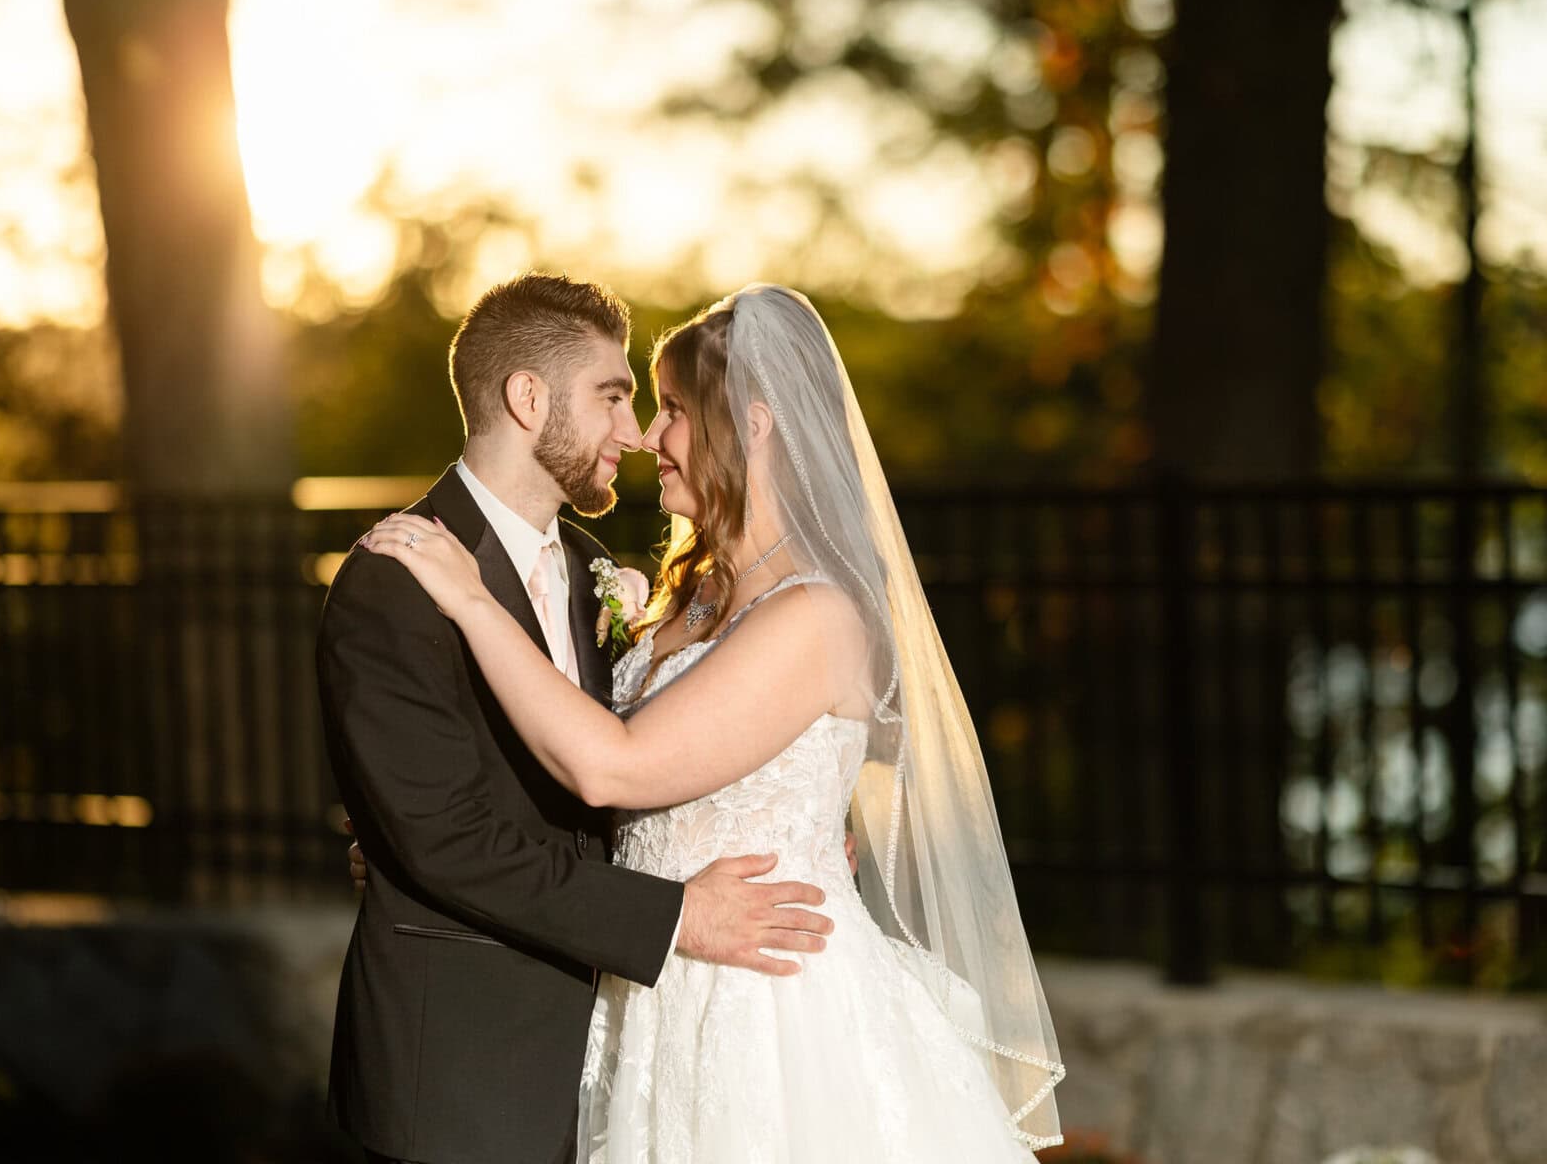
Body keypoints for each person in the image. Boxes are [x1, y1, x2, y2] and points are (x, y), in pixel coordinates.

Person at [360, 283, 1065, 1160]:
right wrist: (406, 826)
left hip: (765, 1008)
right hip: (642, 999)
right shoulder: (684, 595)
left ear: (754, 425)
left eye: (673, 411)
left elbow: (615, 768)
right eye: (630, 405)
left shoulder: (816, 612)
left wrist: (471, 601)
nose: (647, 437)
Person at [319, 274, 836, 1164]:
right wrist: (676, 918)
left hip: (626, 1047)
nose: (635, 435)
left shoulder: (600, 570)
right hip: (466, 1064)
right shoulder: (397, 576)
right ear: (528, 398)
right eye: (614, 397)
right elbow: (446, 839)